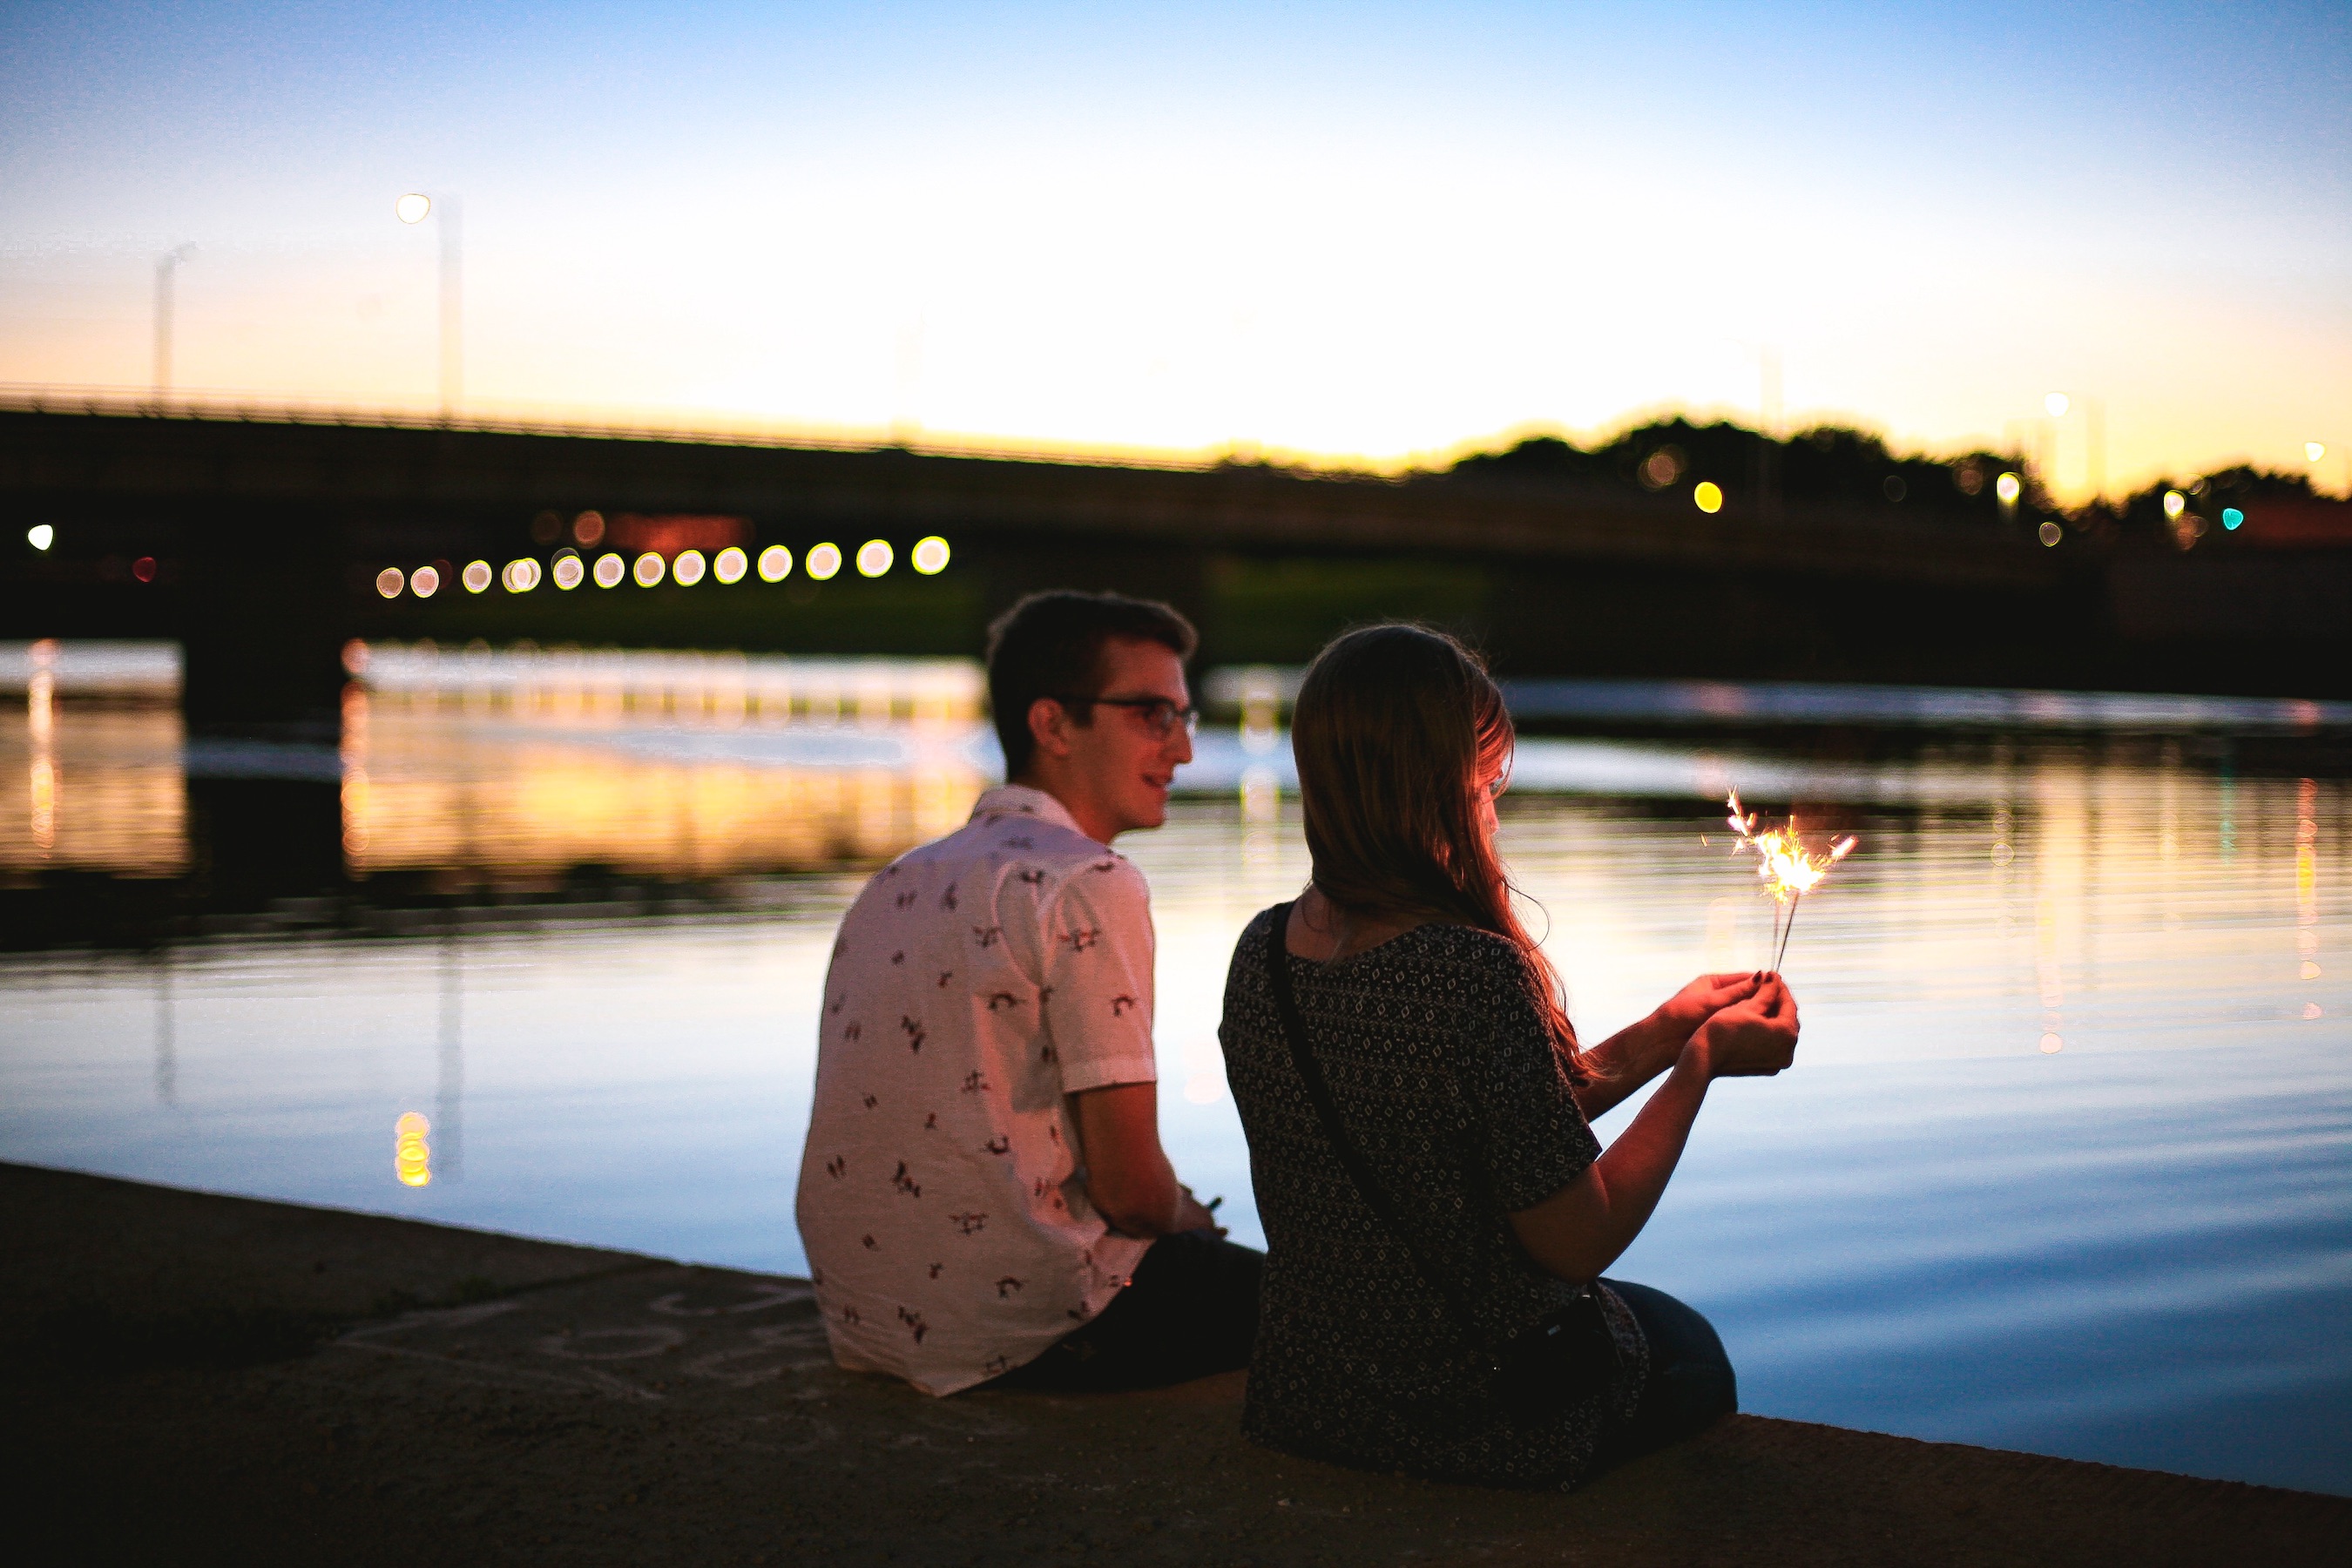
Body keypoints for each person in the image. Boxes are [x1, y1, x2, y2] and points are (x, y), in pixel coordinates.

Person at [1218, 624, 1800, 1489]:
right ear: (1436, 787)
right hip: (1474, 1414)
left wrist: (1665, 1028)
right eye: (1485, 782)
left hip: (1311, 1397)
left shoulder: (1262, 954)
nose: (1493, 808)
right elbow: (1578, 1241)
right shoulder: (1471, 972)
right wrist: (1699, 1067)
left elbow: (1480, 1126)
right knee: (1690, 1346)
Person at [797, 590, 1262, 1396]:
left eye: (1183, 718)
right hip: (1034, 1327)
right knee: (1342, 1317)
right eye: (1154, 715)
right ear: (1052, 725)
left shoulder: (897, 880)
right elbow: (1130, 1193)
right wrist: (1190, 1219)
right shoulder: (1088, 882)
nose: (1183, 750)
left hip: (868, 1319)